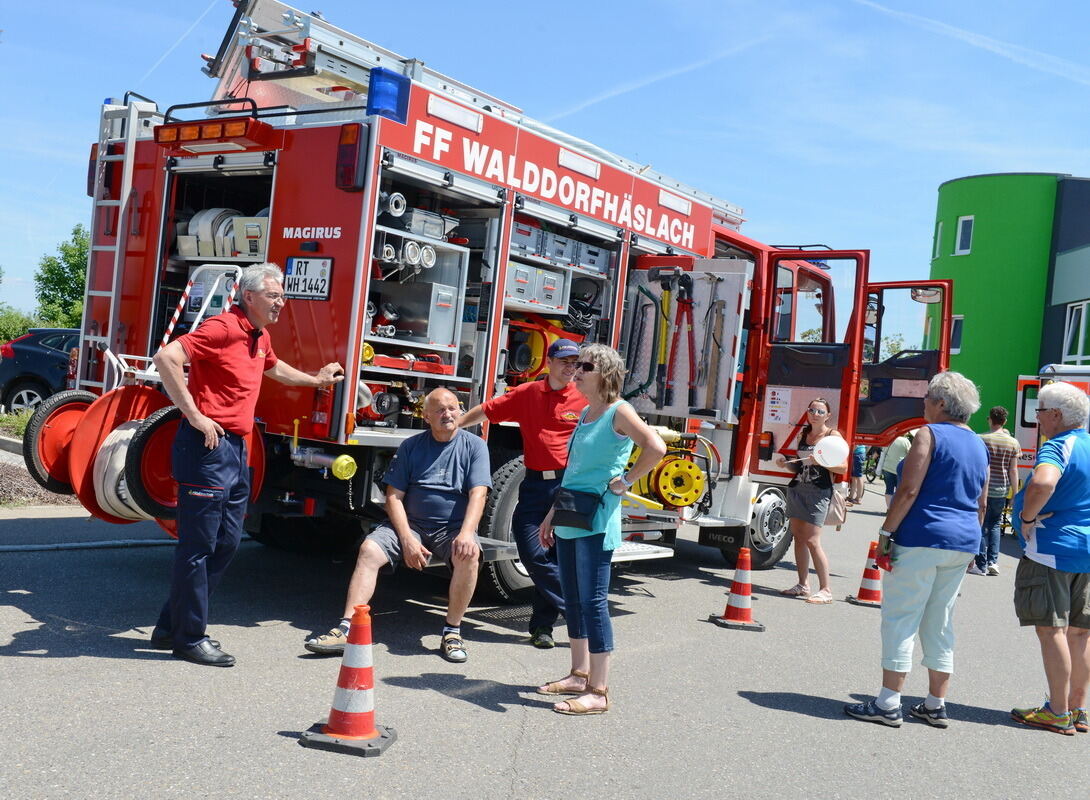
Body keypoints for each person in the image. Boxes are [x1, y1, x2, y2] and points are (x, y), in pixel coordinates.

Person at [150, 263, 344, 667]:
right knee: (198, 546)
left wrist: (316, 380)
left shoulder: (260, 336)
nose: (281, 302)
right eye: (274, 295)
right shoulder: (223, 327)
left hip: (236, 450)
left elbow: (275, 368)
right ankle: (189, 637)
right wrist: (194, 415)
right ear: (250, 296)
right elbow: (166, 357)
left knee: (226, 543)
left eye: (283, 295)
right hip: (207, 447)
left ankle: (171, 626)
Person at [305, 388, 491, 664]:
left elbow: (479, 493)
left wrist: (466, 533)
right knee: (368, 550)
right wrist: (406, 539)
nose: (447, 414)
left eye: (452, 408)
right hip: (411, 524)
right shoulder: (411, 446)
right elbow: (393, 496)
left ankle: (452, 631)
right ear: (426, 416)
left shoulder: (474, 446)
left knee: (470, 555)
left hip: (452, 528)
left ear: (461, 411)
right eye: (439, 410)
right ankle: (347, 629)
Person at [844, 371, 988, 727]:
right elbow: (982, 502)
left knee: (901, 617)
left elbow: (908, 490)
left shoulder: (929, 434)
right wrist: (974, 539)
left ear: (941, 403)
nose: (923, 402)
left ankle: (887, 702)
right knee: (940, 621)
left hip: (923, 535)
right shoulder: (978, 443)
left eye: (927, 397)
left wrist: (886, 532)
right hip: (963, 539)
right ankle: (935, 703)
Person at [535, 344, 665, 715]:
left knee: (592, 602)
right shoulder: (587, 412)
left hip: (597, 518)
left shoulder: (618, 411)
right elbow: (574, 471)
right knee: (573, 598)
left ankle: (599, 690)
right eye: (576, 365)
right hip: (571, 514)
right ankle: (579, 674)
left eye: (585, 366)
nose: (576, 370)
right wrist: (550, 515)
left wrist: (627, 480)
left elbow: (654, 447)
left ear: (605, 372)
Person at [458, 338, 586, 649]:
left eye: (575, 363)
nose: (571, 368)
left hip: (568, 487)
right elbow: (488, 411)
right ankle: (580, 615)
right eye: (565, 361)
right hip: (534, 486)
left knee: (558, 556)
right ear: (550, 363)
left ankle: (542, 628)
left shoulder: (584, 398)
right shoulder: (527, 393)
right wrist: (456, 426)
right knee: (532, 552)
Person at [1010, 381, 1090, 735]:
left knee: (1051, 627)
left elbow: (1042, 484)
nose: (1038, 418)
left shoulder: (1058, 446)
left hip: (1053, 548)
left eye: (1040, 411)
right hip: (1086, 549)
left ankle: (1057, 711)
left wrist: (1027, 518)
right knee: (1080, 633)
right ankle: (1076, 708)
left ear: (1056, 415)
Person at [773, 397, 848, 604]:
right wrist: (785, 463)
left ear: (828, 416)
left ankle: (826, 589)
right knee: (798, 537)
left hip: (819, 492)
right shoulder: (804, 434)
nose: (815, 414)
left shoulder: (833, 436)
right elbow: (798, 467)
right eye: (812, 410)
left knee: (813, 540)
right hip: (798, 489)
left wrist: (823, 461)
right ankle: (802, 584)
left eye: (820, 412)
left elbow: (842, 468)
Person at [970, 406, 1021, 576]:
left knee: (981, 525)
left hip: (981, 490)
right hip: (1001, 490)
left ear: (989, 419)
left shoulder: (980, 439)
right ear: (1005, 421)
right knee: (995, 525)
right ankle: (994, 562)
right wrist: (1015, 492)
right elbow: (1013, 470)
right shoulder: (1013, 442)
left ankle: (981, 564)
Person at [879, 431, 913, 509]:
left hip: (887, 467)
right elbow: (910, 453)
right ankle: (896, 508)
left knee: (889, 489)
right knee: (899, 490)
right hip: (900, 468)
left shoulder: (891, 439)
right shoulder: (906, 441)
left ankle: (889, 508)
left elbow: (884, 450)